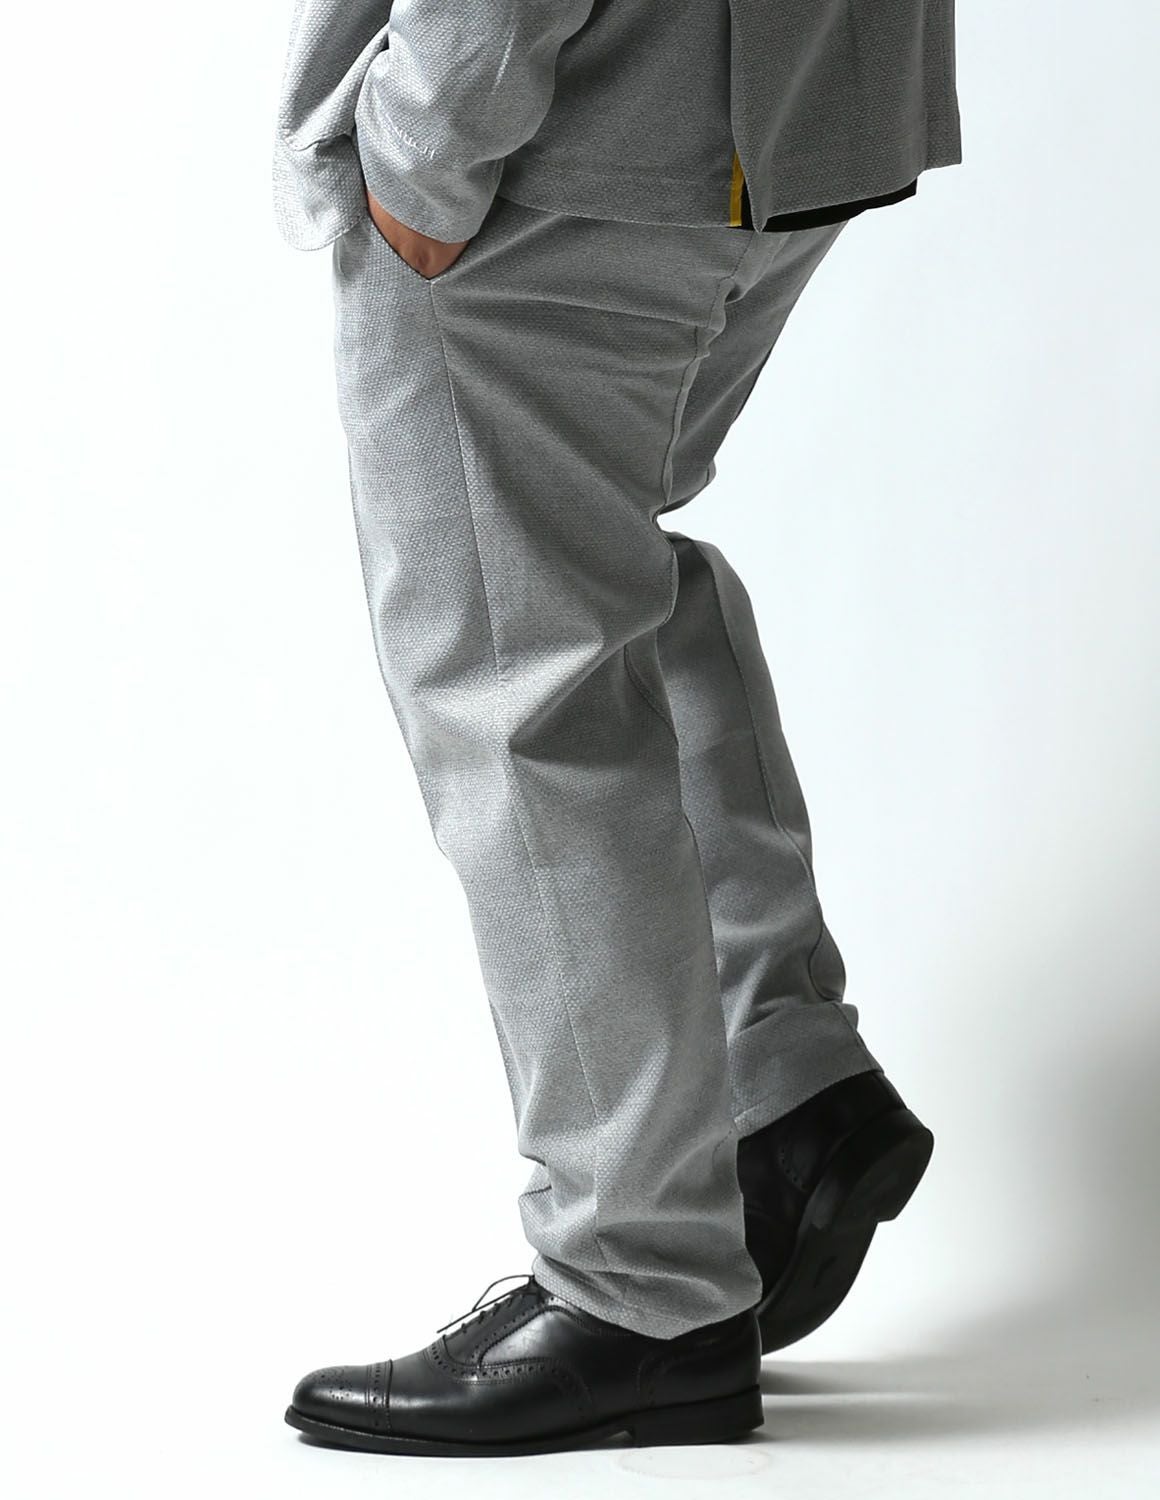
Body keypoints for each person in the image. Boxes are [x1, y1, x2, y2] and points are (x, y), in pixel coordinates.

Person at [272, 0, 961, 1458]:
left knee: (518, 671)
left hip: (577, 119)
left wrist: (435, 122)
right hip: (804, 106)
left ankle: (642, 1280)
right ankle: (781, 1084)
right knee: (594, 578)